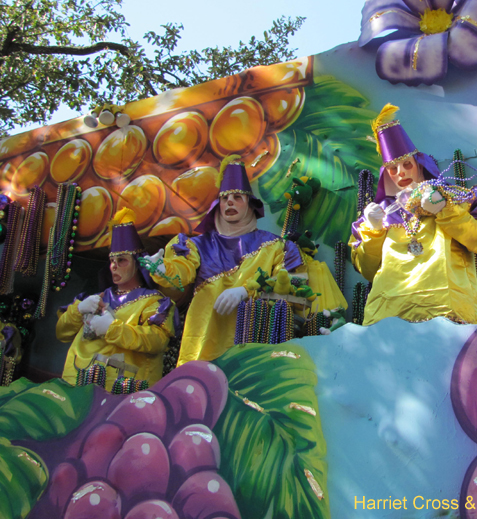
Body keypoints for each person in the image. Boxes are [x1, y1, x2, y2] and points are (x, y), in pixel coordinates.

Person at [349, 104, 477, 325]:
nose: (401, 173)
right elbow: (368, 270)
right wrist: (374, 231)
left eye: (406, 164)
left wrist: (446, 209)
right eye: (393, 169)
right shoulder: (380, 214)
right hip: (388, 316)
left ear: (419, 164)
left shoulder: (457, 198)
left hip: (445, 309)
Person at [146, 155, 301, 365]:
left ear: (250, 205)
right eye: (225, 197)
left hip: (253, 346)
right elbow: (182, 273)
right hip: (205, 342)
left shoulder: (275, 245)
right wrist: (164, 269)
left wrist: (246, 291)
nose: (230, 202)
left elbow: (293, 284)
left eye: (237, 197)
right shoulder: (197, 245)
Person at [56, 208, 176, 390]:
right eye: (112, 261)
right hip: (77, 390)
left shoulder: (154, 302)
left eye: (122, 260)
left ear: (137, 263)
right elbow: (62, 333)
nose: (114, 266)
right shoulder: (93, 299)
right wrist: (78, 310)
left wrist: (112, 329)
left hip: (123, 394)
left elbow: (157, 341)